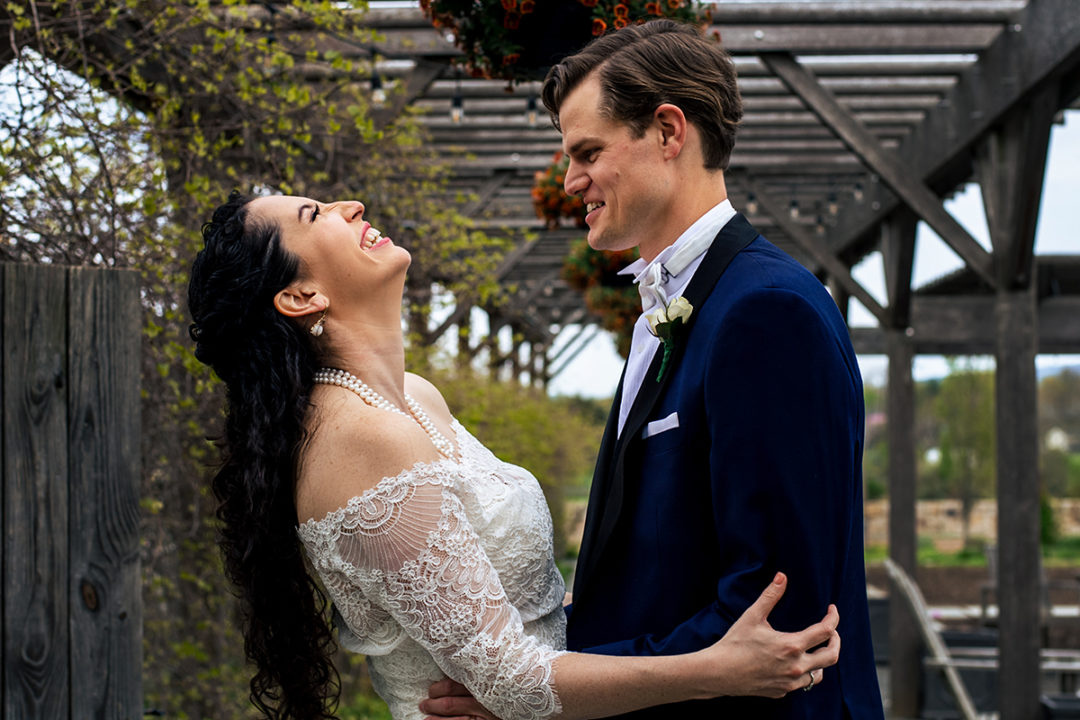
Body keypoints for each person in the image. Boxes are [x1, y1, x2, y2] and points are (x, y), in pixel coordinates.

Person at [186, 189, 842, 720]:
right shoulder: (360, 439)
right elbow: (513, 682)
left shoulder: (415, 398)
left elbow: (516, 644)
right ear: (301, 298)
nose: (350, 205)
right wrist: (718, 670)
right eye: (314, 216)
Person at [422, 18, 884, 720]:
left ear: (669, 133)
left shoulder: (766, 313)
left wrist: (540, 691)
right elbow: (662, 571)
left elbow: (774, 615)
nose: (569, 180)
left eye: (586, 152)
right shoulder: (668, 310)